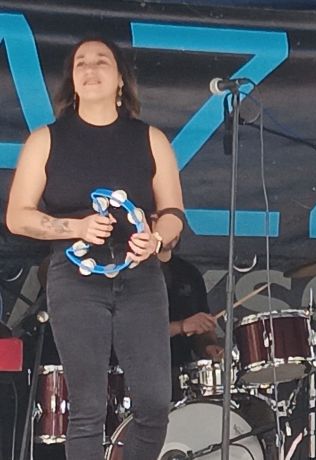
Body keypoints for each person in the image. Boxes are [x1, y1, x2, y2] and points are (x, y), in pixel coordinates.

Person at [5, 37, 184, 459]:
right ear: (72, 80)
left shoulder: (150, 139)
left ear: (121, 78)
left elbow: (174, 213)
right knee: (87, 407)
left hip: (140, 277)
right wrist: (76, 227)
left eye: (101, 61)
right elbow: (17, 216)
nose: (90, 68)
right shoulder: (46, 140)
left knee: (154, 404)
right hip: (75, 277)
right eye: (80, 63)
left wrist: (156, 239)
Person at [163, 251, 223, 401]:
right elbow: (132, 333)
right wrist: (181, 326)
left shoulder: (188, 272)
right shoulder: (130, 272)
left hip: (182, 373)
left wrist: (208, 346)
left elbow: (202, 329)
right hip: (135, 373)